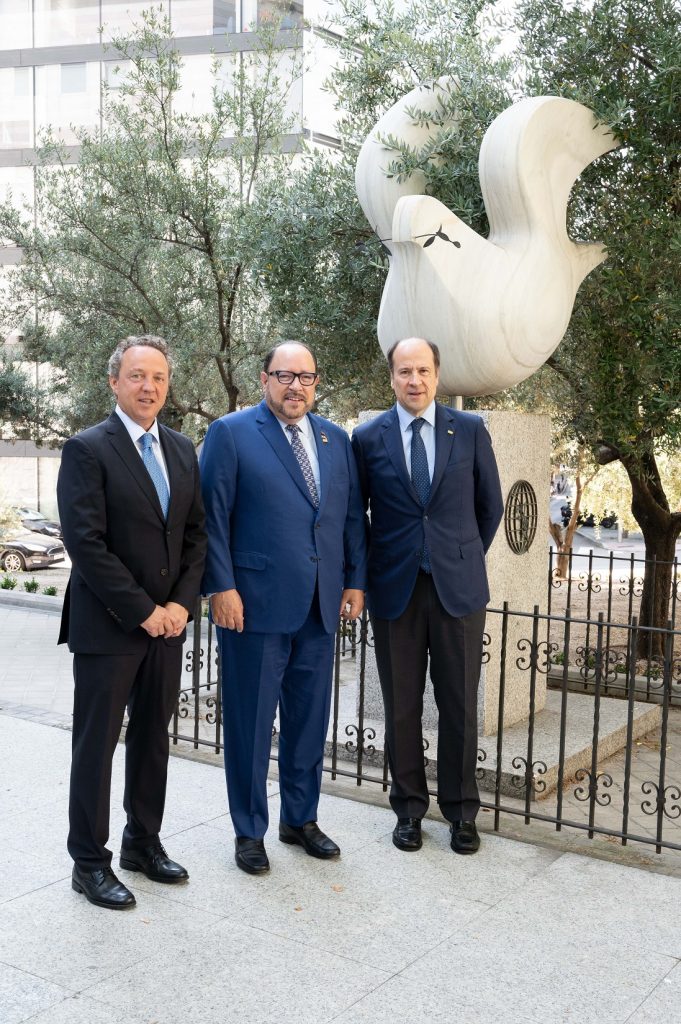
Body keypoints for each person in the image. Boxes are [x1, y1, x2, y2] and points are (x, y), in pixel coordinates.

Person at [200, 341, 366, 875]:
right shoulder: (231, 433)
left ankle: (301, 819)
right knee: (250, 725)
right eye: (286, 375)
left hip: (320, 606)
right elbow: (212, 517)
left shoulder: (336, 440)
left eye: (307, 377)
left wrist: (354, 582)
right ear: (265, 378)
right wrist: (220, 587)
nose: (297, 386)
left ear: (317, 383)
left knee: (309, 720)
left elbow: (348, 521)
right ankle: (250, 830)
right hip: (252, 606)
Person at [57, 335, 206, 909]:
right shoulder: (88, 449)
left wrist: (177, 608)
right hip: (110, 629)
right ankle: (89, 863)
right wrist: (143, 611)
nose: (149, 387)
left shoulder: (181, 448)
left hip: (166, 628)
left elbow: (196, 535)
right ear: (115, 382)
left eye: (159, 378)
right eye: (138, 376)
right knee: (96, 746)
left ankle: (143, 842)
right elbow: (86, 544)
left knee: (151, 739)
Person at [351, 337, 504, 855]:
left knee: (459, 703)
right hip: (395, 590)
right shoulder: (367, 437)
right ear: (391, 377)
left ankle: (462, 813)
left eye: (422, 370)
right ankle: (409, 809)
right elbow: (359, 517)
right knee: (401, 706)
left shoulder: (471, 430)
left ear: (437, 375)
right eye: (403, 371)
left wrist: (456, 556)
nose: (413, 380)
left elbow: (490, 507)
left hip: (457, 591)